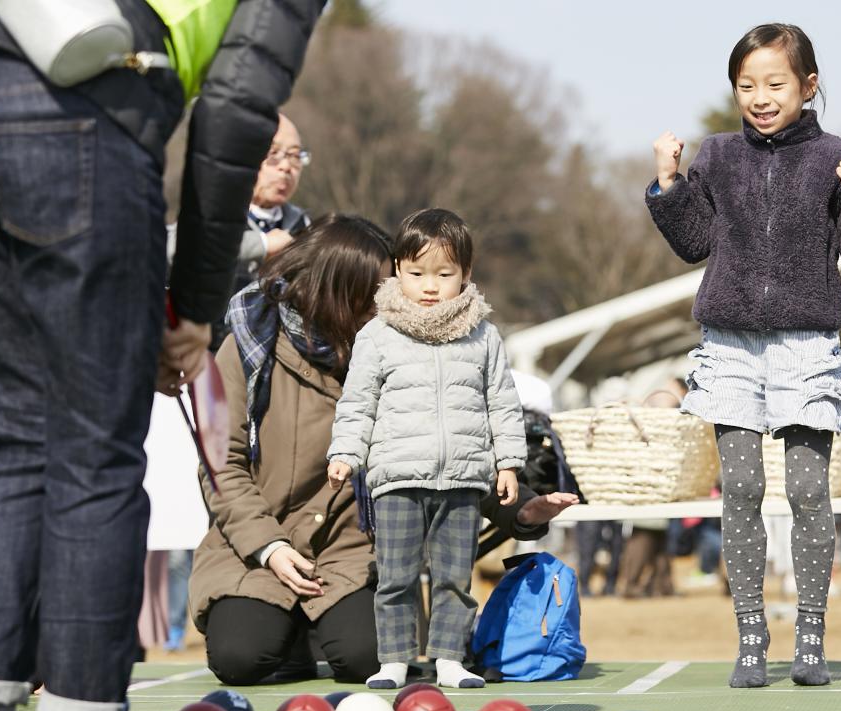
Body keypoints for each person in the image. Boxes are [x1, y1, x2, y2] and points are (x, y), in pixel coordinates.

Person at [0, 0, 325, 711]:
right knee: (95, 444)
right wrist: (195, 307)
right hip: (86, 117)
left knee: (12, 431)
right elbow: (233, 118)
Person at [191, 214, 574, 686]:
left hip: (350, 554)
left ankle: (320, 629)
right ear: (340, 290)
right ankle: (286, 630)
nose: (396, 294)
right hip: (258, 545)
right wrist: (268, 548)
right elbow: (219, 467)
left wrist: (520, 510)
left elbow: (447, 451)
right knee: (240, 658)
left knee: (367, 658)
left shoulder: (399, 349)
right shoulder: (246, 350)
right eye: (378, 287)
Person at [645, 23, 841, 688]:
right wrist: (669, 184)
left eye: (775, 83)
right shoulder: (719, 155)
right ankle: (751, 638)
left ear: (809, 86)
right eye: (746, 84)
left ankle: (810, 640)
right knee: (744, 488)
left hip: (806, 344)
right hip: (730, 345)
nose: (760, 96)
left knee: (810, 491)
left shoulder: (837, 157)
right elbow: (695, 240)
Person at [327, 209, 528, 691]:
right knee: (396, 576)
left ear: (466, 275)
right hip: (397, 476)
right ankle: (394, 660)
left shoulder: (483, 335)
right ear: (397, 269)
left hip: (462, 478)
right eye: (417, 273)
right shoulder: (377, 335)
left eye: (444, 274)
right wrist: (345, 453)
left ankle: (449, 659)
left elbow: (502, 400)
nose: (430, 286)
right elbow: (358, 402)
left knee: (455, 578)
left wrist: (509, 461)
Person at [209, 112, 313, 350]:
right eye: (273, 154)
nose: (286, 167)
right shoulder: (213, 216)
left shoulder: (303, 226)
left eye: (295, 156)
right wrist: (262, 245)